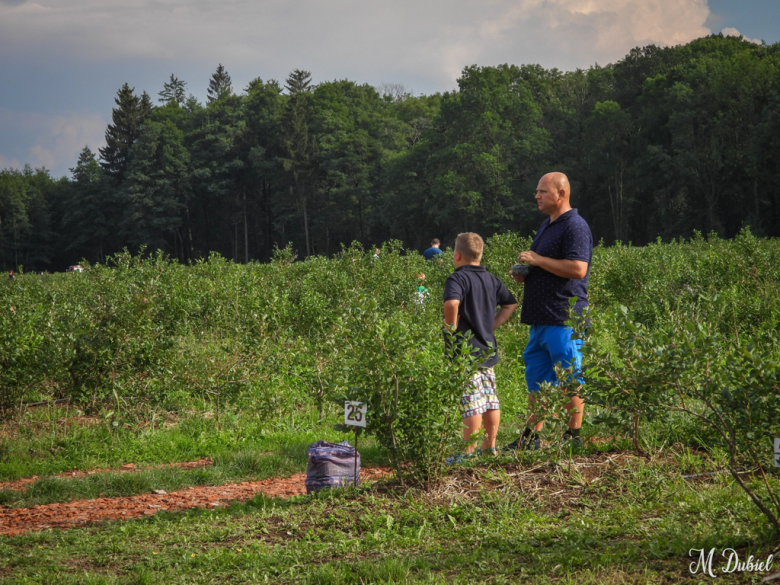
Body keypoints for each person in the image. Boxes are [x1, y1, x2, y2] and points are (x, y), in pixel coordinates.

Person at [506, 172, 592, 451]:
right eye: (537, 191)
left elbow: (578, 269)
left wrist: (539, 260)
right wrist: (526, 274)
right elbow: (544, 266)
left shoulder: (575, 226)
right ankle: (531, 438)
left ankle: (573, 436)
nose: (537, 196)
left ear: (561, 194)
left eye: (543, 191)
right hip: (541, 316)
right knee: (538, 379)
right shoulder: (547, 225)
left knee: (569, 377)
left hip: (563, 316)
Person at [444, 232, 518, 458]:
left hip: (465, 351)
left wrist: (451, 326)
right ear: (480, 254)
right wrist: (491, 325)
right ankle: (490, 447)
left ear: (457, 255)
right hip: (487, 348)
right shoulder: (492, 279)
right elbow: (510, 303)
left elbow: (452, 302)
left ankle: (468, 452)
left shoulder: (457, 279)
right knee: (490, 399)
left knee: (471, 401)